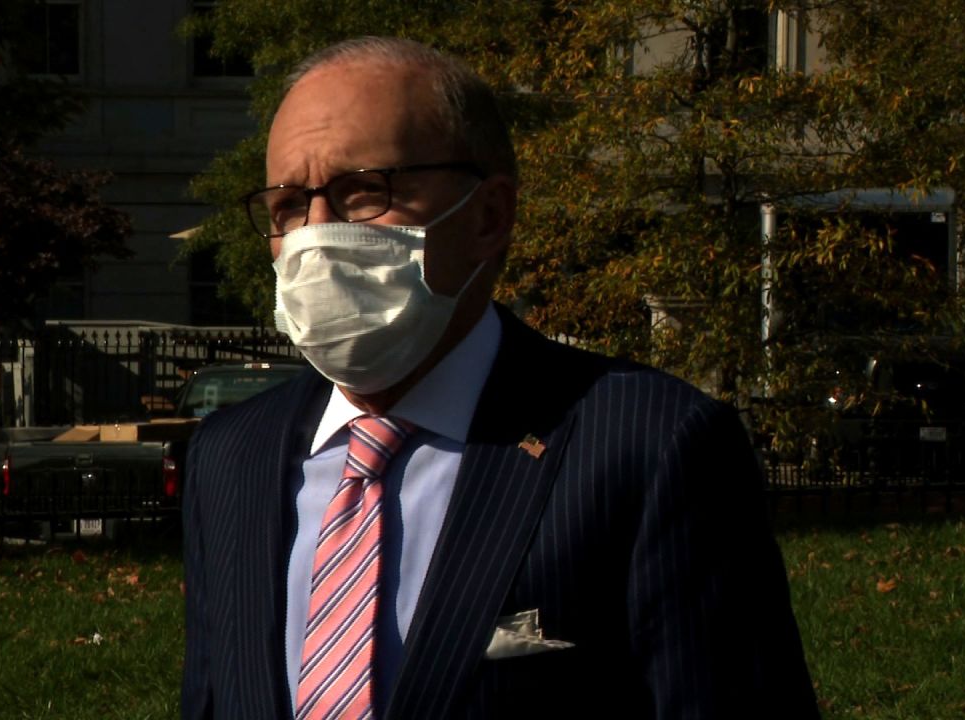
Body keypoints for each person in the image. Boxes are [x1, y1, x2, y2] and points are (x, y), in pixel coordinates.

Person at [181, 37, 818, 719]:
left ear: (487, 218)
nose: (315, 235)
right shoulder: (230, 458)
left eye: (362, 193)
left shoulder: (647, 447)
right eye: (286, 209)